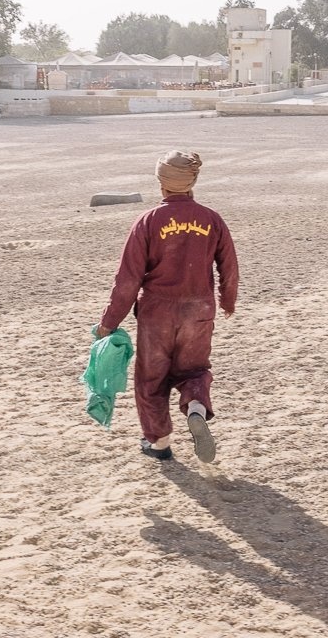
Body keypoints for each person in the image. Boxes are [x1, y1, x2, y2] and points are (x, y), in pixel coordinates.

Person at [96, 151, 238, 463]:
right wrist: (227, 301)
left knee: (151, 378)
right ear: (193, 182)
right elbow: (229, 266)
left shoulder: (148, 221)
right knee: (194, 370)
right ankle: (196, 408)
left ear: (161, 183)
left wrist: (109, 321)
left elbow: (128, 278)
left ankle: (159, 442)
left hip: (157, 314)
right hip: (199, 312)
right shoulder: (212, 220)